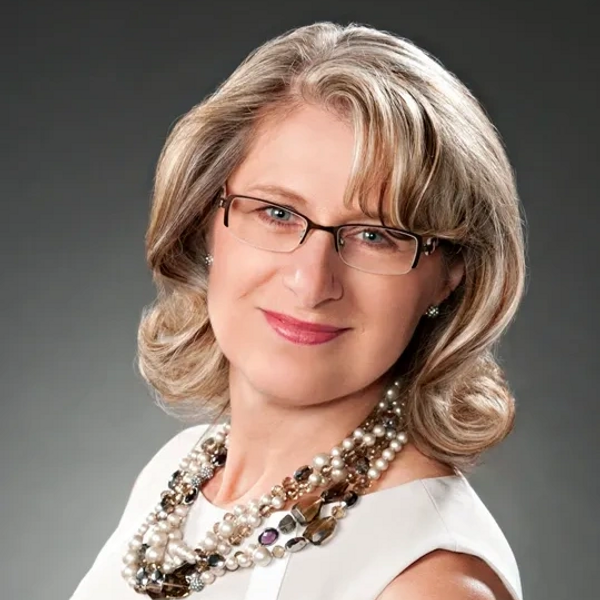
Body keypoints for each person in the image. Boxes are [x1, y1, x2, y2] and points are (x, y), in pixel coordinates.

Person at [71, 21, 525, 600]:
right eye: (278, 214)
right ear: (206, 221)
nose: (311, 283)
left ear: (447, 278)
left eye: (375, 235)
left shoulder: (429, 580)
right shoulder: (177, 474)